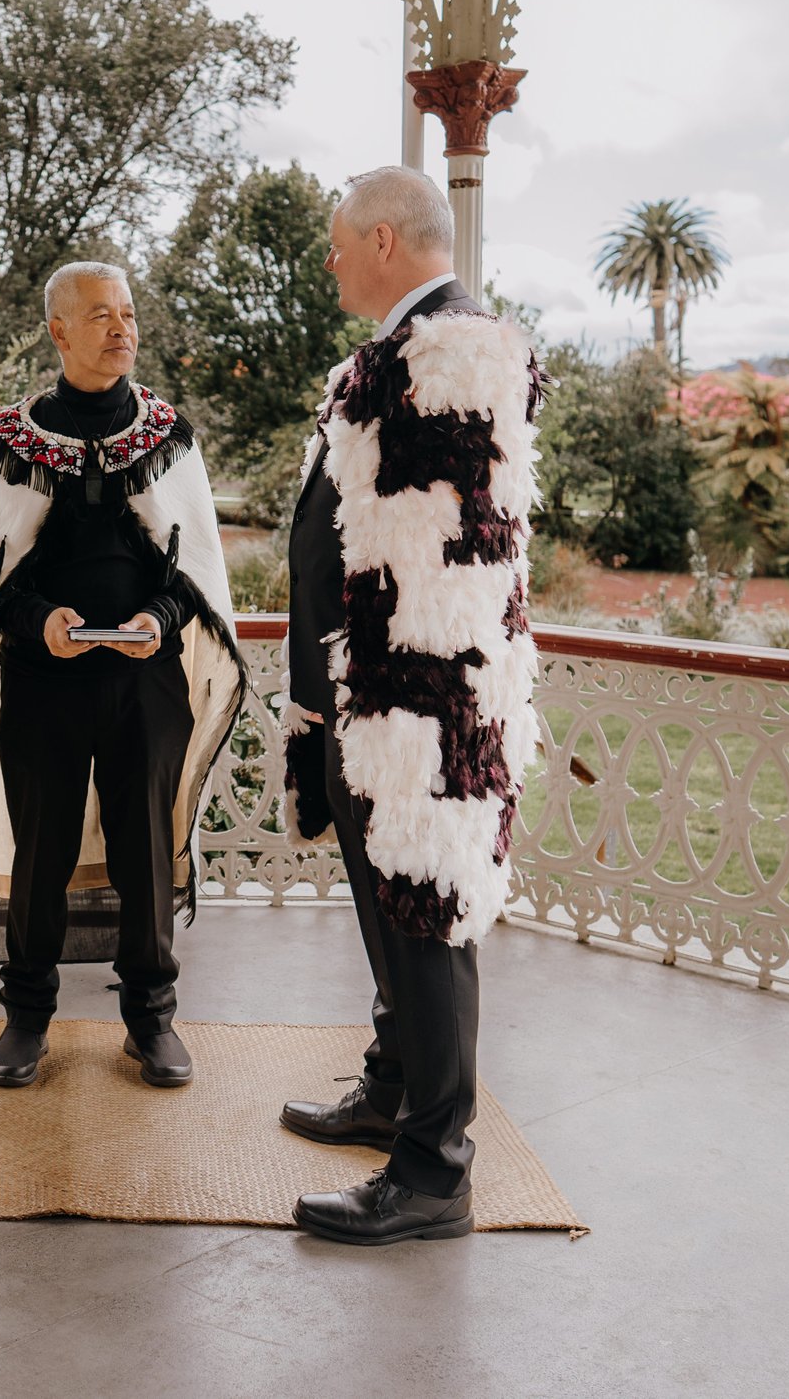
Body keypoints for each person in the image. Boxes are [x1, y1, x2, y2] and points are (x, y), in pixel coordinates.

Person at [278, 166, 543, 1244]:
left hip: (417, 704)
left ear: (382, 238)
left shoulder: (454, 349)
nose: (332, 259)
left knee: (425, 917)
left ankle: (433, 1168)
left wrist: (391, 706)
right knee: (392, 914)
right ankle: (393, 1085)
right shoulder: (404, 350)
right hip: (374, 694)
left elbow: (444, 553)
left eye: (340, 242)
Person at [0, 262, 244, 1090]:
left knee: (146, 853)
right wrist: (39, 619)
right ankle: (25, 1019)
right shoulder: (11, 438)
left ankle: (152, 1021)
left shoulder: (170, 435)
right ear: (59, 332)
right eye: (101, 315)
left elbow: (196, 573)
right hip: (44, 682)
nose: (121, 329)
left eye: (130, 314)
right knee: (39, 855)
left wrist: (160, 619)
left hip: (145, 683)